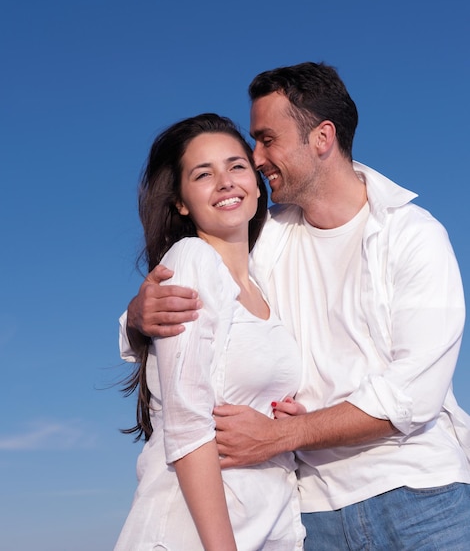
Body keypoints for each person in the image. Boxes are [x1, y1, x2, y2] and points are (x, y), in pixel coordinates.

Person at [120, 63, 470, 550]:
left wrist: (280, 436)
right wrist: (136, 317)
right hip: (312, 511)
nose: (256, 157)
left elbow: (413, 395)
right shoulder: (268, 237)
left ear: (322, 138)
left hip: (417, 495)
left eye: (266, 140)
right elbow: (203, 291)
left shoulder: (413, 236)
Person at [114, 113, 305, 551]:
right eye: (203, 174)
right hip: (193, 535)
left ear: (258, 183)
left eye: (236, 166)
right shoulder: (192, 260)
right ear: (181, 202)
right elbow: (187, 424)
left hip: (268, 526)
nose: (225, 182)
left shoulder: (263, 282)